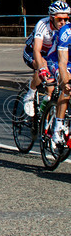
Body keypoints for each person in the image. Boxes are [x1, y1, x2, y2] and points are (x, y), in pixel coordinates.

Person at [22, 1, 70, 116]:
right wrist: (42, 68)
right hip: (33, 52)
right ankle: (30, 93)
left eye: (66, 19)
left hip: (51, 54)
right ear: (51, 17)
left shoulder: (66, 28)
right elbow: (36, 50)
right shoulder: (42, 24)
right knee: (42, 66)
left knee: (51, 88)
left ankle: (46, 112)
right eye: (59, 19)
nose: (63, 22)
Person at [46, 17, 71, 146]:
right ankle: (58, 126)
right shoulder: (66, 32)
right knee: (67, 87)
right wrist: (66, 82)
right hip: (56, 60)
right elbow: (62, 63)